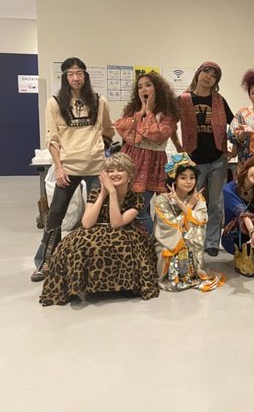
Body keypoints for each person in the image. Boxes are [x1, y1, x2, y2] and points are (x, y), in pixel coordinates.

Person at [31, 57, 114, 282]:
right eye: (70, 73)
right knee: (55, 215)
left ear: (85, 75)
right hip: (68, 169)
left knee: (98, 215)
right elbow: (52, 138)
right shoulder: (55, 103)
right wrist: (58, 168)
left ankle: (96, 263)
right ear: (65, 77)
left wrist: (100, 148)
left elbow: (109, 130)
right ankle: (46, 262)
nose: (75, 78)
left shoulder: (99, 101)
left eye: (79, 73)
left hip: (96, 168)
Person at [39, 153, 160, 306]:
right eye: (110, 171)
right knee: (80, 244)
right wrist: (103, 195)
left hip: (124, 232)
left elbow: (116, 223)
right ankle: (81, 285)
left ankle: (121, 285)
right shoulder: (96, 193)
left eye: (120, 170)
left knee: (119, 244)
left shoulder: (136, 198)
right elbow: (87, 223)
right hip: (95, 229)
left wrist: (113, 193)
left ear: (129, 175)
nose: (114, 174)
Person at [173, 61, 236, 257]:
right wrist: (178, 147)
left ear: (216, 81)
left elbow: (235, 124)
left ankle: (211, 242)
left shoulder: (219, 100)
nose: (208, 76)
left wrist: (234, 148)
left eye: (213, 75)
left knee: (216, 203)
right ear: (198, 73)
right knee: (190, 202)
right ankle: (192, 240)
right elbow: (170, 124)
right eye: (206, 72)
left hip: (217, 158)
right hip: (193, 160)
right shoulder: (183, 99)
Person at [115, 72, 179, 235]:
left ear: (157, 88)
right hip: (129, 160)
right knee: (126, 206)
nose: (143, 89)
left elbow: (157, 135)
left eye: (148, 85)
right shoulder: (133, 110)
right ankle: (134, 242)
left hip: (151, 163)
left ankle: (150, 243)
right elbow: (123, 130)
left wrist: (149, 113)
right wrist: (141, 111)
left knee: (139, 209)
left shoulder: (168, 113)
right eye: (140, 87)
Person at [153, 153, 224, 292]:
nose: (188, 181)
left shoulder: (198, 198)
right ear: (174, 179)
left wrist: (183, 205)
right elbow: (171, 226)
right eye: (183, 177)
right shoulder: (162, 200)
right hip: (168, 241)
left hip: (191, 242)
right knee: (180, 240)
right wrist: (189, 206)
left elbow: (202, 219)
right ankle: (174, 276)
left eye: (192, 177)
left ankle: (190, 274)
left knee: (194, 232)